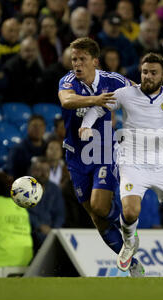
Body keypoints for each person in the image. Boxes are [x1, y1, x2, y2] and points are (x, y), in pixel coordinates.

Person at [80, 53, 163, 277]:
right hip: (131, 162)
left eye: (153, 73)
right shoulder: (126, 94)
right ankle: (128, 244)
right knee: (131, 210)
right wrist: (86, 125)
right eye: (145, 72)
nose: (147, 77)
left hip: (162, 165)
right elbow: (98, 108)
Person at [57, 37, 144, 277]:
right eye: (74, 59)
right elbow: (67, 101)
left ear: (95, 61)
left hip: (104, 152)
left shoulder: (112, 80)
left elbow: (139, 93)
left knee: (99, 205)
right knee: (97, 217)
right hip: (76, 156)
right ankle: (132, 263)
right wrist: (96, 100)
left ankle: (128, 228)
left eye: (82, 59)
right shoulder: (68, 81)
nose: (76, 64)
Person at [27, 157, 66, 248]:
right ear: (33, 171)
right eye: (39, 170)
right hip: (31, 231)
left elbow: (60, 213)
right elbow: (24, 212)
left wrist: (53, 230)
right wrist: (39, 226)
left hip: (51, 232)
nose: (43, 174)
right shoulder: (24, 189)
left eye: (46, 170)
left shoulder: (55, 189)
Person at [5, 114, 47, 179]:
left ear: (45, 128)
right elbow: (11, 173)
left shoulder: (48, 148)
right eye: (34, 126)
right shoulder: (17, 149)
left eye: (41, 126)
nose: (38, 129)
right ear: (28, 128)